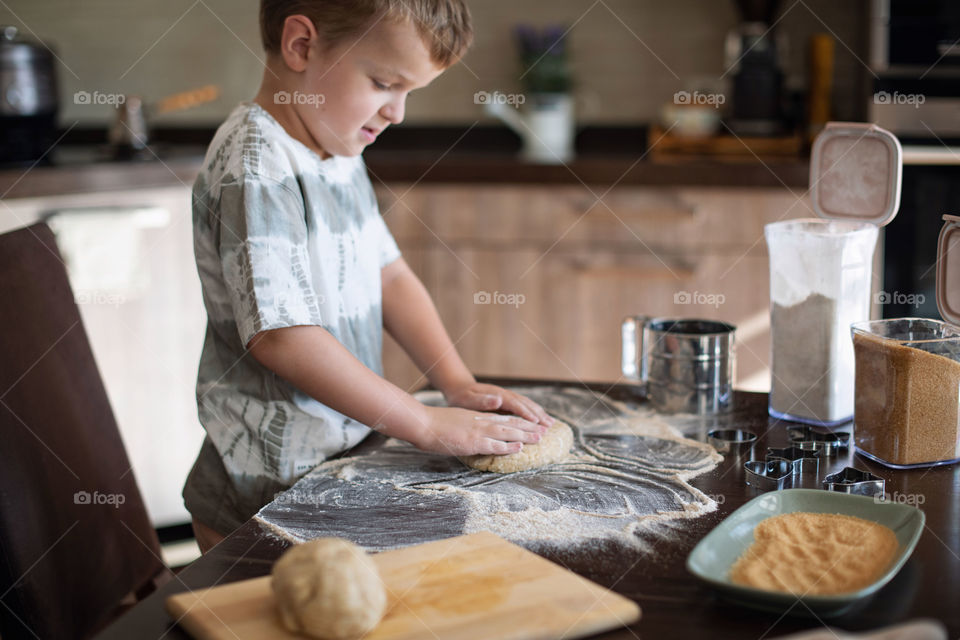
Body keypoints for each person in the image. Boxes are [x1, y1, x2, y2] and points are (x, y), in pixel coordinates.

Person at [184, 0, 553, 553]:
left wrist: (455, 381)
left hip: (334, 465)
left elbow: (391, 274)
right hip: (260, 495)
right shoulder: (256, 164)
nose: (397, 112)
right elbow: (282, 338)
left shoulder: (333, 148)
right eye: (384, 82)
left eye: (409, 92)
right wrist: (426, 425)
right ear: (302, 46)